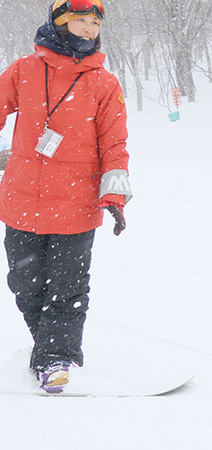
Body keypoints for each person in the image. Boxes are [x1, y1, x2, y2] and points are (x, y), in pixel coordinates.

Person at [0, 0, 131, 394]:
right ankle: (50, 347)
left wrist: (115, 194)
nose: (89, 29)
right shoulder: (24, 70)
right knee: (25, 285)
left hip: (77, 204)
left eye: (94, 23)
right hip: (21, 201)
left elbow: (115, 142)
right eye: (80, 20)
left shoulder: (104, 83)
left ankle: (56, 358)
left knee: (68, 288)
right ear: (59, 23)